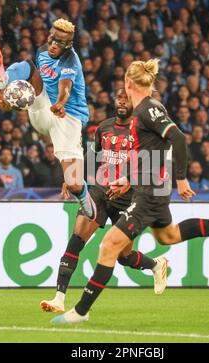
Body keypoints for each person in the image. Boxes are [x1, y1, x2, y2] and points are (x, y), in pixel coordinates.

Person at [52, 59, 209, 324]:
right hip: (151, 187)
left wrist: (182, 179)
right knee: (168, 236)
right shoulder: (144, 110)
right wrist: (127, 178)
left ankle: (80, 311)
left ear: (128, 83)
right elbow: (150, 154)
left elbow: (179, 138)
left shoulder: (148, 109)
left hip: (150, 192)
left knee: (109, 247)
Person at [40, 89, 168, 313]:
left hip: (129, 199)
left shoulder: (144, 131)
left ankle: (156, 264)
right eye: (118, 97)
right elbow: (91, 156)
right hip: (99, 192)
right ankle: (59, 298)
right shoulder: (104, 127)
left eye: (126, 99)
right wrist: (72, 177)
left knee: (124, 257)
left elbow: (152, 165)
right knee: (76, 239)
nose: (121, 102)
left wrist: (129, 181)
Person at [0, 18, 96, 219]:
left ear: (68, 45)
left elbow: (65, 88)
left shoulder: (70, 60)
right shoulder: (43, 51)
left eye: (60, 43)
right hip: (43, 108)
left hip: (67, 118)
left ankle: (83, 195)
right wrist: (9, 104)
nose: (54, 45)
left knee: (74, 183)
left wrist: (60, 104)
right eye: (52, 38)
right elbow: (29, 94)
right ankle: (3, 79)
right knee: (29, 68)